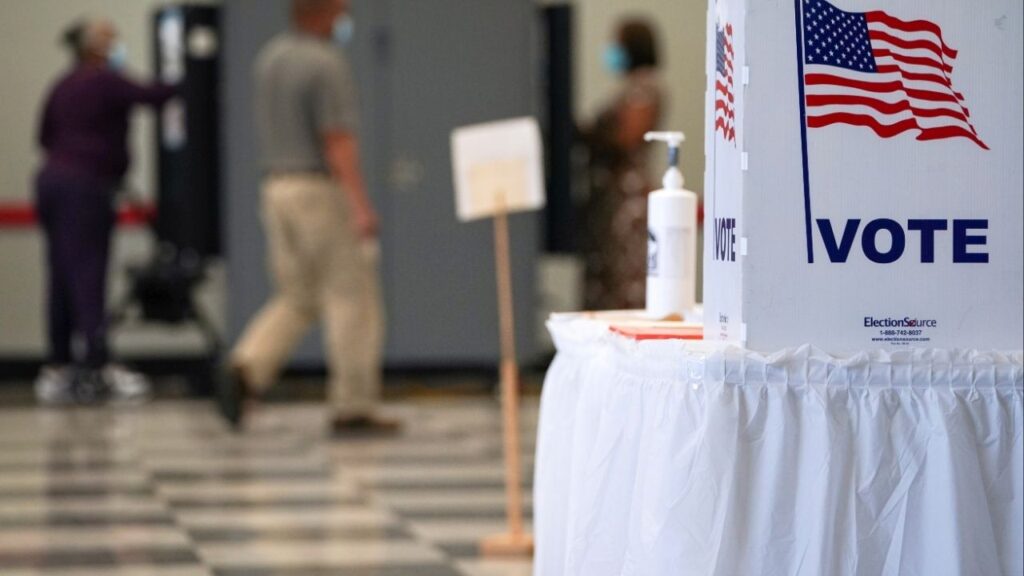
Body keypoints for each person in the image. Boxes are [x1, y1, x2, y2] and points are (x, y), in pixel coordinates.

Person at [219, 0, 395, 436]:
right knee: (351, 296)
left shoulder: (270, 58)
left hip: (276, 187)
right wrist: (360, 204)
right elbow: (336, 139)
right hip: (317, 189)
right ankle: (354, 404)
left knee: (297, 295)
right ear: (326, 12)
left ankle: (246, 367)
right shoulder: (325, 63)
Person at [34, 18, 176, 404]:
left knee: (62, 272)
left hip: (51, 184)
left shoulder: (62, 85)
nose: (117, 48)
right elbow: (155, 95)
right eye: (111, 41)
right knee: (88, 272)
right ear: (94, 47)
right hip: (85, 188)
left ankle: (58, 366)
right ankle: (96, 367)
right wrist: (197, 70)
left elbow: (43, 137)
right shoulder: (104, 80)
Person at [582, 18, 665, 311]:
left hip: (629, 203)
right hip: (611, 199)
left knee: (625, 283)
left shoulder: (645, 89)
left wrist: (591, 134)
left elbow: (628, 137)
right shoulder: (628, 89)